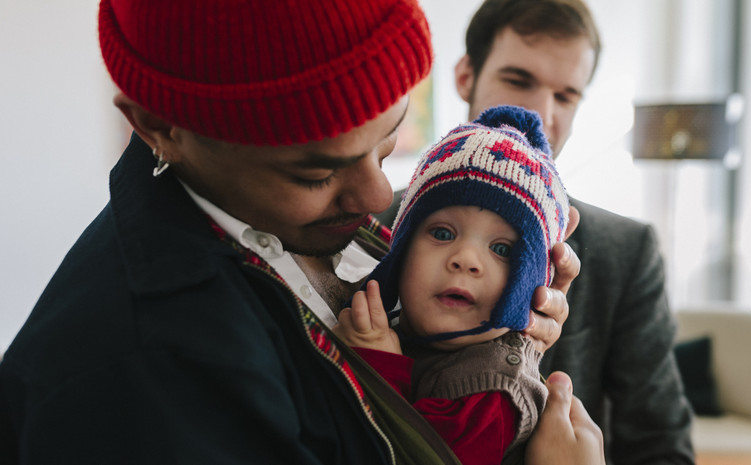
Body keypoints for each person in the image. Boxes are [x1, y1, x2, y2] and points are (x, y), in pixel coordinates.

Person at [0, 0, 605, 464]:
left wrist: (495, 345)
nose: (376, 200)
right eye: (317, 171)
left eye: (387, 139)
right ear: (161, 128)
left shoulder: (297, 227)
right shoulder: (151, 373)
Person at [452, 0, 695, 463]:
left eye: (566, 96)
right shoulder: (375, 222)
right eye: (518, 80)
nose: (542, 114)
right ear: (466, 76)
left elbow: (660, 446)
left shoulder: (626, 252)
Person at [334, 105, 570, 465]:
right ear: (400, 250)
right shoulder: (395, 320)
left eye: (502, 249)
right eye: (442, 233)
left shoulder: (491, 396)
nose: (466, 260)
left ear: (530, 281)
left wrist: (380, 366)